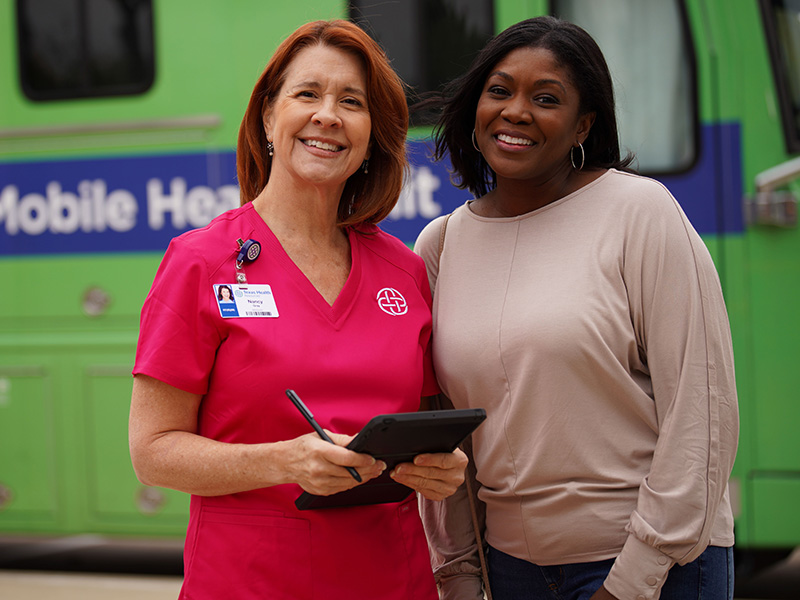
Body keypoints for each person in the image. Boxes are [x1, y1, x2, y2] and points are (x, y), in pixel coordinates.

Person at [129, 19, 466, 600]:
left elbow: (429, 425)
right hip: (251, 581)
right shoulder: (200, 262)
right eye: (307, 94)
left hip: (394, 578)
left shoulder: (405, 271)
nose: (327, 115)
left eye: (351, 102)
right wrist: (284, 462)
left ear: (371, 135)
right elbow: (154, 453)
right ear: (267, 116)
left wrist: (444, 467)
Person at [414, 16, 739, 600]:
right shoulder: (441, 246)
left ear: (582, 124)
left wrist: (634, 579)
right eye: (500, 90)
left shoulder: (640, 212)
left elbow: (703, 411)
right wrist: (459, 572)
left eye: (546, 98)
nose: (516, 111)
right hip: (512, 571)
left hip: (655, 565)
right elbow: (445, 437)